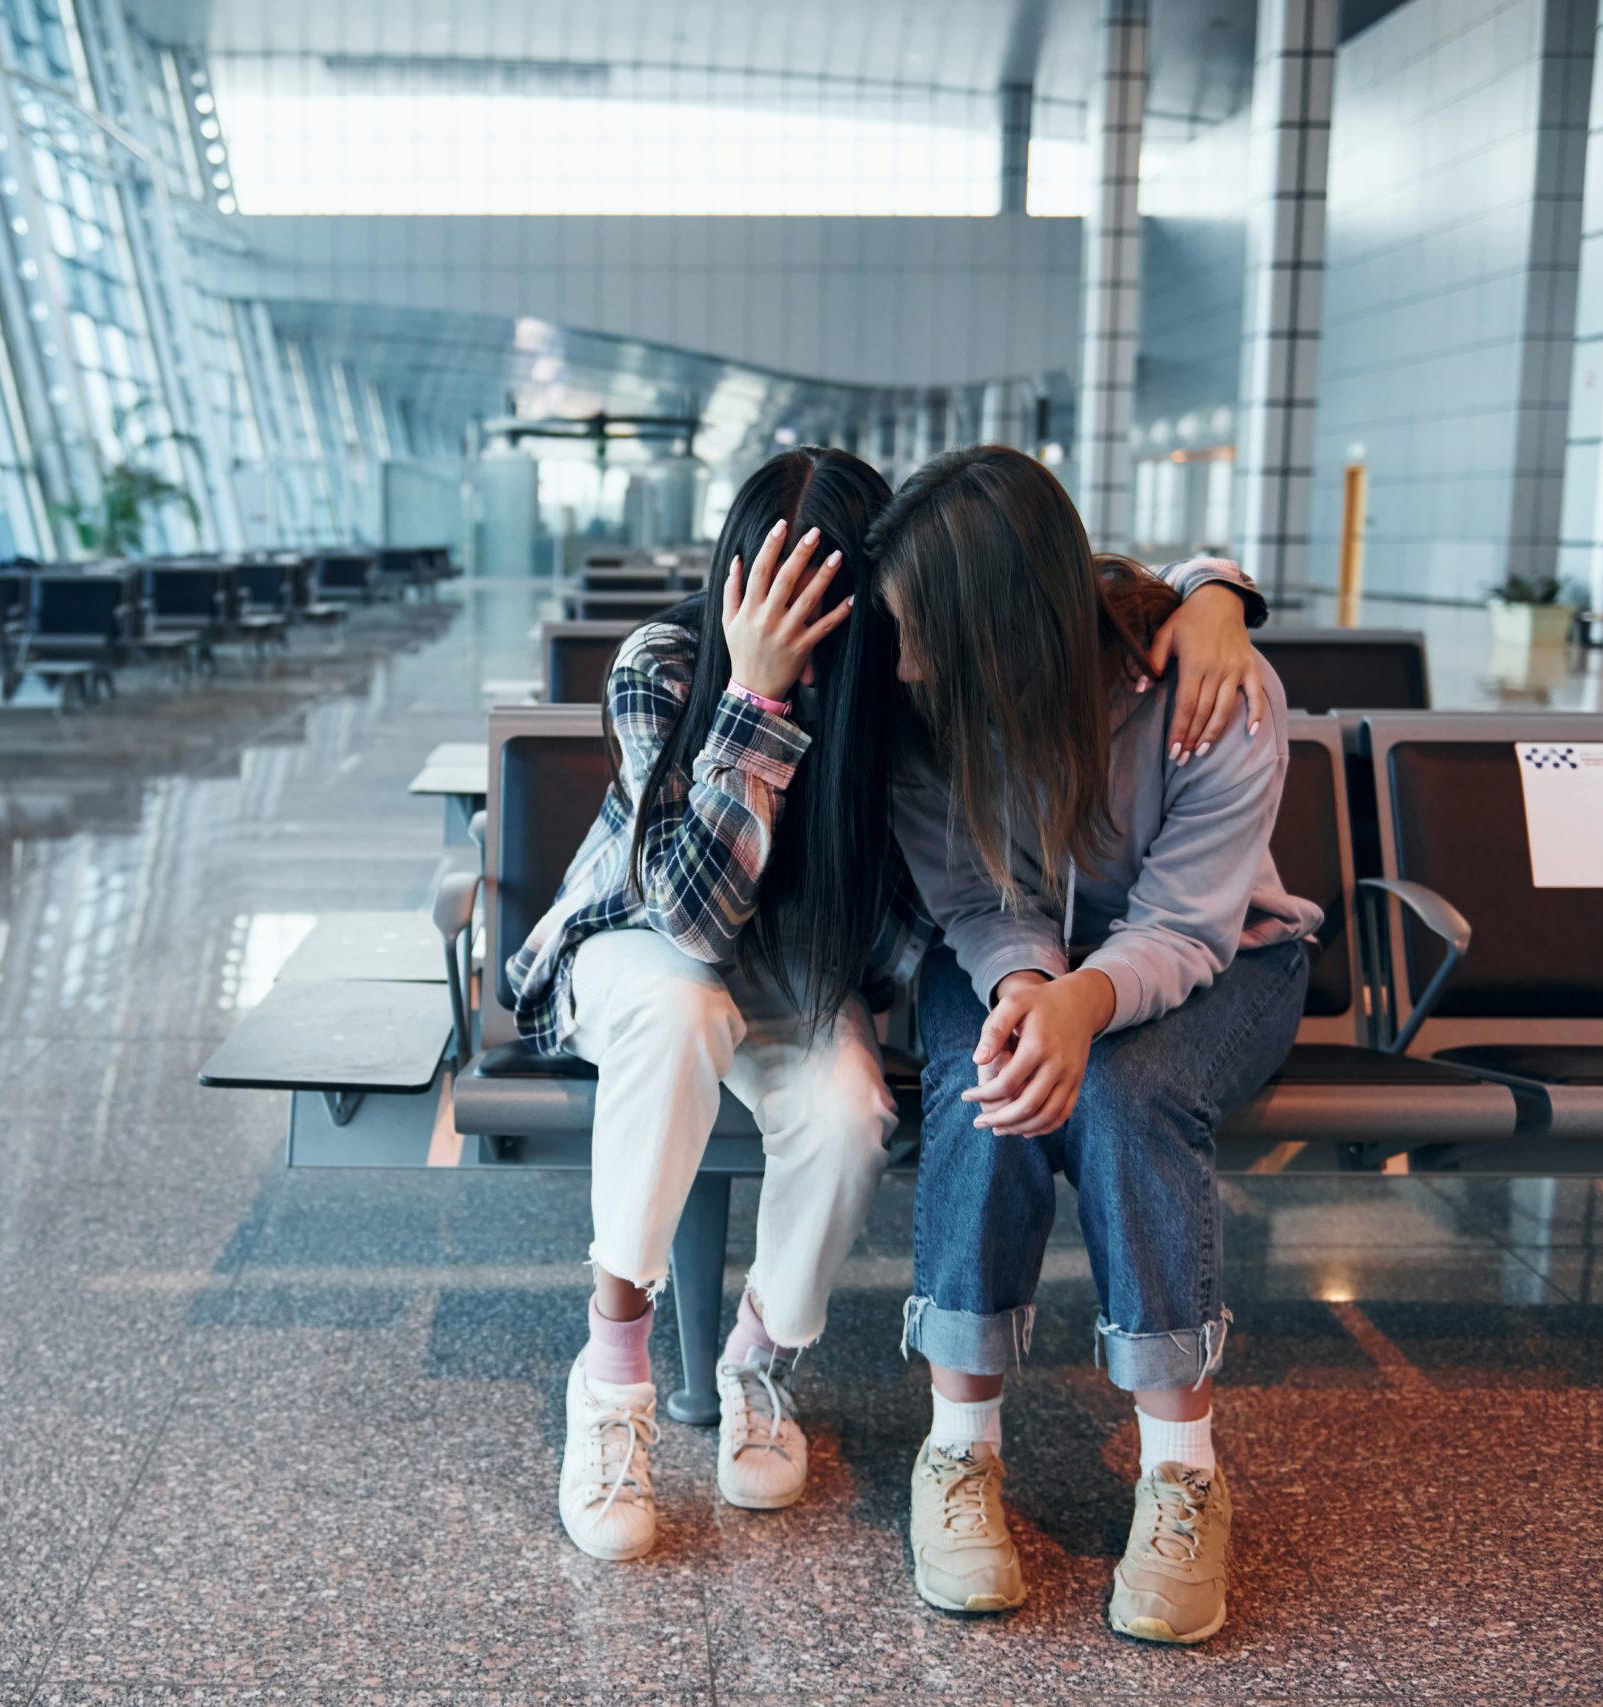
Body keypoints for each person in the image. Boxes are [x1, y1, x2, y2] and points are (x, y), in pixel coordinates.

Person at [509, 446, 1268, 1564]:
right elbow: (690, 923)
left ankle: (757, 1359)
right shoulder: (663, 665)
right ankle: (611, 1376)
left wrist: (1217, 593)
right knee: (683, 1015)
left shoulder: (899, 683)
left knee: (852, 1109)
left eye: (839, 612)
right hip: (637, 945)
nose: (832, 647)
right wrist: (757, 696)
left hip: (799, 970)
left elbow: (1043, 567)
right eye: (779, 602)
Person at [872, 445, 1319, 1644]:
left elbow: (1185, 925)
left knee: (1124, 1097)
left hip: (1221, 956)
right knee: (993, 1079)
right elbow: (974, 899)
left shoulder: (1213, 688)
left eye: (924, 634)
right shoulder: (919, 715)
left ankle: (1182, 1471)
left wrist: (1086, 1005)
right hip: (1008, 951)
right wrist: (1034, 991)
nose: (903, 662)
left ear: (1003, 628)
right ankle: (956, 1451)